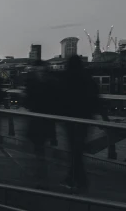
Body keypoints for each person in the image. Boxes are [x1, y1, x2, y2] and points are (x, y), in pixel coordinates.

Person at [61, 55, 100, 193]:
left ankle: (78, 180)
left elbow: (61, 99)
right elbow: (95, 98)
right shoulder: (88, 79)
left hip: (70, 120)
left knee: (74, 150)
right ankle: (74, 179)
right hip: (85, 120)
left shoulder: (66, 79)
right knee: (77, 150)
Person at [24, 62, 58, 189]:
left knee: (38, 147)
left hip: (37, 119)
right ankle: (44, 173)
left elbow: (28, 102)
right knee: (44, 146)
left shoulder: (32, 82)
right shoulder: (52, 81)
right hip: (48, 119)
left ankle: (40, 175)